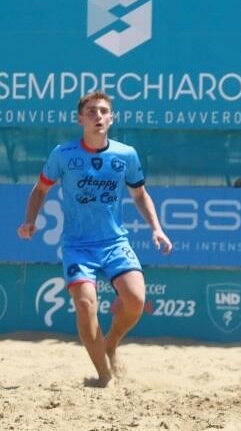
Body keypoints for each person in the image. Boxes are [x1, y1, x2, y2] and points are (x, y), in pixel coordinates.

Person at [17, 91, 172, 387]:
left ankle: (111, 341)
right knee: (87, 305)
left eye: (103, 111)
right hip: (78, 246)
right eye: (91, 111)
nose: (98, 116)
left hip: (114, 243)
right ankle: (104, 376)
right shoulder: (63, 154)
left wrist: (157, 228)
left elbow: (139, 194)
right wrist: (29, 221)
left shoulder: (126, 155)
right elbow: (40, 189)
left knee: (136, 300)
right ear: (80, 119)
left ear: (112, 118)